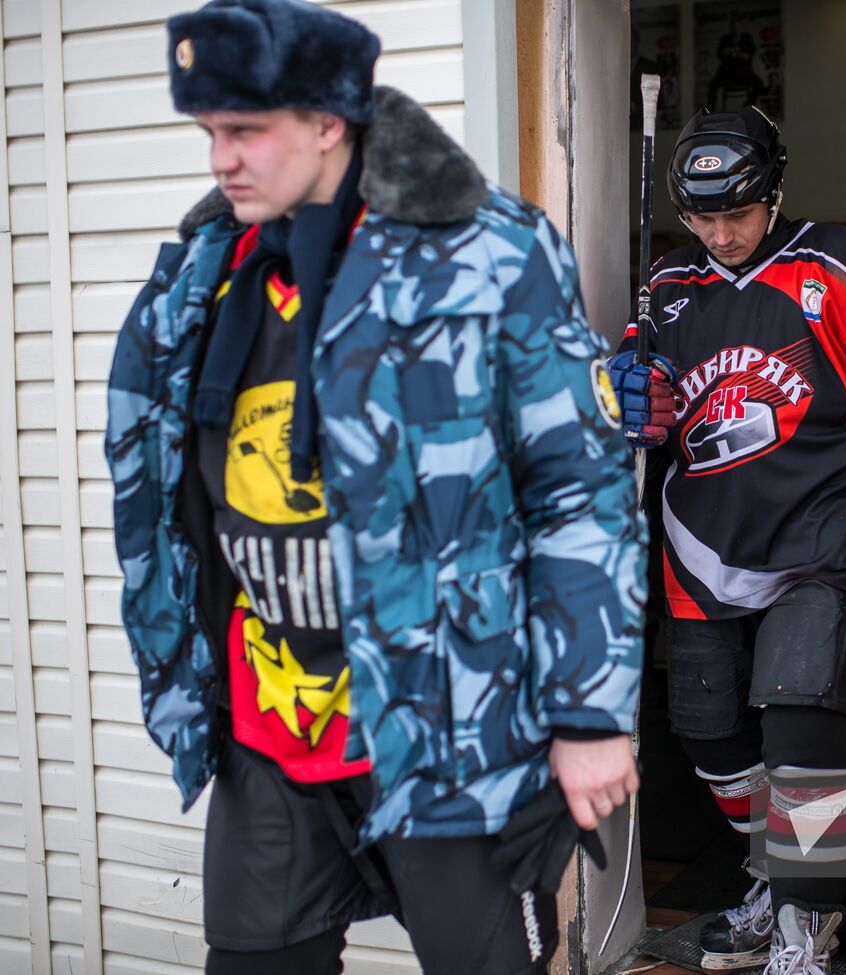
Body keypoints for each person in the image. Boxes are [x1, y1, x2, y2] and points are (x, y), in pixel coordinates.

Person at [103, 1, 644, 972]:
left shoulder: (487, 251)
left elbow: (578, 491)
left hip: (451, 724)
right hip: (270, 722)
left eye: (244, 130)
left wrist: (589, 716)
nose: (221, 160)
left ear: (328, 120)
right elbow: (166, 502)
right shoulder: (205, 274)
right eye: (209, 133)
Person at [608, 108, 846, 973]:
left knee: (802, 728)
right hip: (702, 544)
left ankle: (803, 929)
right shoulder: (668, 283)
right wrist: (629, 395)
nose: (720, 234)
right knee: (707, 733)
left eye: (737, 214)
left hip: (824, 533)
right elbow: (644, 395)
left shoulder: (840, 260)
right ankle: (778, 878)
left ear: (775, 192)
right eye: (702, 217)